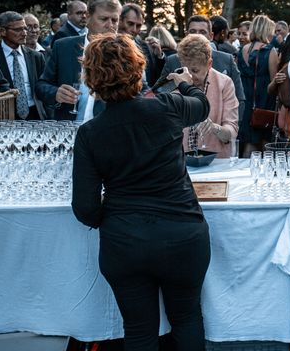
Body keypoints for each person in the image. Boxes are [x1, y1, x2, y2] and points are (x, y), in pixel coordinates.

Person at [71, 34, 210, 351]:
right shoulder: (168, 106)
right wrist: (186, 83)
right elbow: (202, 107)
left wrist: (122, 214)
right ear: (138, 70)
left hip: (125, 243)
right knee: (187, 319)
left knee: (138, 330)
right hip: (182, 233)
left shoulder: (90, 134)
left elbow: (85, 209)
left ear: (92, 78)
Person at [36, 0, 121, 121]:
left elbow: (139, 91)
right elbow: (42, 85)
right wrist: (56, 93)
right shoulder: (63, 46)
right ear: (87, 17)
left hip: (106, 130)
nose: (110, 26)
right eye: (104, 19)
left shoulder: (125, 52)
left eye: (115, 20)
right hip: (68, 130)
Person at [157, 16, 245, 121]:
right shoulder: (173, 61)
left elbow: (239, 99)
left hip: (216, 128)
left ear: (211, 36)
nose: (197, 36)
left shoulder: (226, 60)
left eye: (202, 32)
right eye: (193, 31)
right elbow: (160, 94)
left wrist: (229, 128)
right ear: (186, 35)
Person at [178, 34, 239, 157]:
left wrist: (214, 128)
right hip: (182, 162)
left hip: (217, 161)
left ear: (209, 64)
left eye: (195, 71)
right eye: (185, 69)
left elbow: (232, 131)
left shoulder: (224, 83)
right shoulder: (176, 82)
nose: (189, 76)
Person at [0, 11, 46, 120]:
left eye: (25, 28)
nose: (24, 33)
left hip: (35, 114)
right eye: (18, 30)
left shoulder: (36, 57)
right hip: (4, 116)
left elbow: (44, 85)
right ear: (2, 31)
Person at [238, 15, 278, 155]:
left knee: (250, 142)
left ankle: (244, 173)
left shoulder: (242, 50)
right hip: (264, 102)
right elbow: (274, 82)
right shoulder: (269, 51)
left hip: (246, 102)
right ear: (266, 30)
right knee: (265, 143)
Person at [118, 3, 166, 86]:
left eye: (138, 25)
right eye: (130, 24)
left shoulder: (145, 47)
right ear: (120, 21)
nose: (134, 29)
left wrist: (159, 56)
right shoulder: (106, 44)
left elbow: (156, 78)